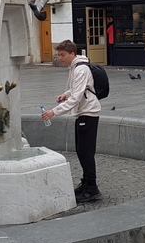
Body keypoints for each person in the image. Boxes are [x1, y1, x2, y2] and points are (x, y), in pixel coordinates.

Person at [42, 40, 102, 202]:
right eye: (59, 55)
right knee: (81, 151)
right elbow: (76, 90)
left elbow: (77, 97)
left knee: (86, 152)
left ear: (72, 54)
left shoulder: (81, 69)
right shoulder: (75, 67)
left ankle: (92, 188)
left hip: (88, 112)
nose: (60, 58)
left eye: (62, 55)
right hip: (83, 112)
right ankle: (86, 183)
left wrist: (54, 112)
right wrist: (65, 94)